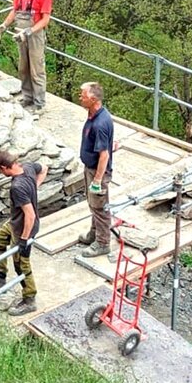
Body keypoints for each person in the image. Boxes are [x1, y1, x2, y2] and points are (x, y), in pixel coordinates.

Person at [0, 150, 48, 316]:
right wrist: (34, 188)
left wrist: (24, 240)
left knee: (21, 263)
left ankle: (29, 299)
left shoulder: (17, 187)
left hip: (24, 228)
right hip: (15, 223)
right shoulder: (28, 167)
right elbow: (44, 168)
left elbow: (30, 215)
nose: (0, 173)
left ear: (4, 167)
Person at [0, 0, 53, 112]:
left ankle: (39, 104)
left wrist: (29, 31)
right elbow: (15, 10)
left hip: (35, 35)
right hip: (20, 33)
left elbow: (45, 19)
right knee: (23, 68)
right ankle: (27, 98)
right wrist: (4, 25)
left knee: (36, 70)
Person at [78, 82, 115, 259]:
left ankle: (103, 243)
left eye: (83, 95)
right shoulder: (93, 114)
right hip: (90, 168)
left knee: (100, 207)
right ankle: (94, 234)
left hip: (97, 172)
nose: (80, 97)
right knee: (93, 204)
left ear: (93, 99)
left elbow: (104, 155)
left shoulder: (100, 123)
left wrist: (97, 180)